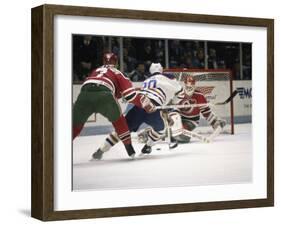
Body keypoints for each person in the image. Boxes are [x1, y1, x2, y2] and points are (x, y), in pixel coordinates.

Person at [93, 62, 185, 159]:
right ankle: (148, 146)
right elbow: (181, 93)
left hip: (139, 106)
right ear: (161, 70)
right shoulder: (169, 77)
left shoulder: (146, 80)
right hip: (154, 108)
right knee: (161, 129)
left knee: (122, 130)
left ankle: (100, 150)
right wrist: (171, 105)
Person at [73, 53, 153, 158]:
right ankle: (129, 148)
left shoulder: (96, 70)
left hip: (84, 94)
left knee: (75, 125)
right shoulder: (117, 72)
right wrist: (146, 105)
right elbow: (130, 95)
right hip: (104, 93)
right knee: (119, 121)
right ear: (116, 63)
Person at [168, 76, 226, 143]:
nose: (189, 89)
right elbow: (173, 109)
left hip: (191, 121)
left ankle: (176, 134)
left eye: (191, 87)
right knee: (171, 127)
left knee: (181, 136)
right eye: (187, 87)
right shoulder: (179, 94)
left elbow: (206, 112)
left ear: (194, 86)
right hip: (179, 118)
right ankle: (173, 133)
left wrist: (215, 122)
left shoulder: (199, 96)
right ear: (184, 85)